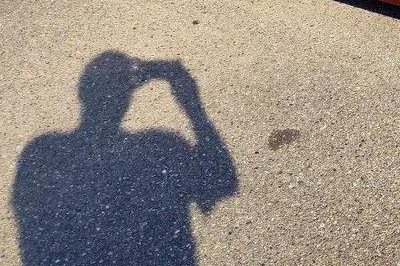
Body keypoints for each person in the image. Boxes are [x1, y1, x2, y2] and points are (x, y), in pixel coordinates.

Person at [13, 52, 238, 266]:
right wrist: (193, 106)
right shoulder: (162, 148)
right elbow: (223, 180)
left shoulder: (41, 154)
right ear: (127, 98)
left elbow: (33, 241)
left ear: (82, 94)